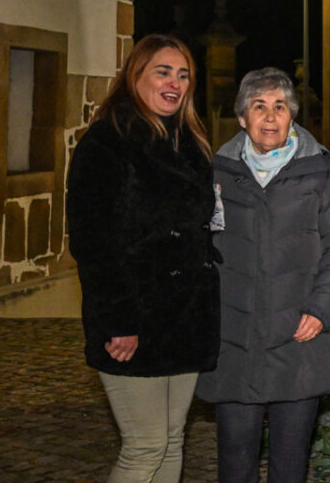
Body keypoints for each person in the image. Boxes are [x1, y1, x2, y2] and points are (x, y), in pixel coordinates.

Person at [67, 34, 218, 483]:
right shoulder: (106, 143)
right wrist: (119, 321)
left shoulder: (191, 142)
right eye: (163, 71)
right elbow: (92, 243)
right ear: (135, 76)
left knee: (172, 441)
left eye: (184, 74)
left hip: (184, 318)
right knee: (145, 445)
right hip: (133, 318)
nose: (175, 82)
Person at [196, 68, 330, 483]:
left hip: (299, 337)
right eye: (258, 106)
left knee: (289, 461)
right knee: (235, 458)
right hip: (234, 339)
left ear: (291, 117)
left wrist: (321, 309)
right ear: (242, 117)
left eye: (279, 106)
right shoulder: (218, 173)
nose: (269, 116)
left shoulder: (322, 173)